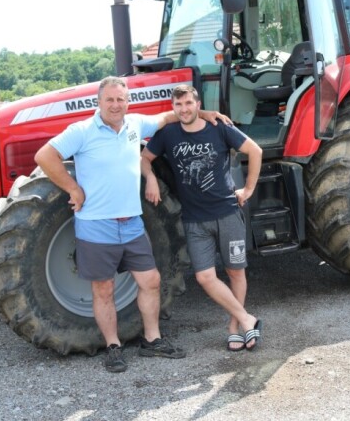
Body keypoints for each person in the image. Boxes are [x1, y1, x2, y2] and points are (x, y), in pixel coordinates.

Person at [34, 76, 228, 373]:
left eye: (121, 99)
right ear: (98, 102)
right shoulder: (82, 131)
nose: (115, 105)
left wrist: (204, 114)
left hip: (132, 222)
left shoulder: (135, 124)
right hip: (96, 225)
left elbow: (167, 117)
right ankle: (113, 346)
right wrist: (73, 189)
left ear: (128, 102)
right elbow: (45, 156)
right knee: (104, 289)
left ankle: (152, 340)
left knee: (151, 281)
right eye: (110, 99)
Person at [141, 84, 263, 353]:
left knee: (235, 271)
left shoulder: (219, 128)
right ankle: (247, 318)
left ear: (198, 105)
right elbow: (145, 158)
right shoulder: (168, 134)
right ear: (173, 108)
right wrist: (149, 176)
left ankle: (234, 327)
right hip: (195, 220)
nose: (184, 109)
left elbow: (255, 151)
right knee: (205, 277)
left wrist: (249, 189)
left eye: (188, 103)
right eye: (178, 105)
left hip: (227, 213)